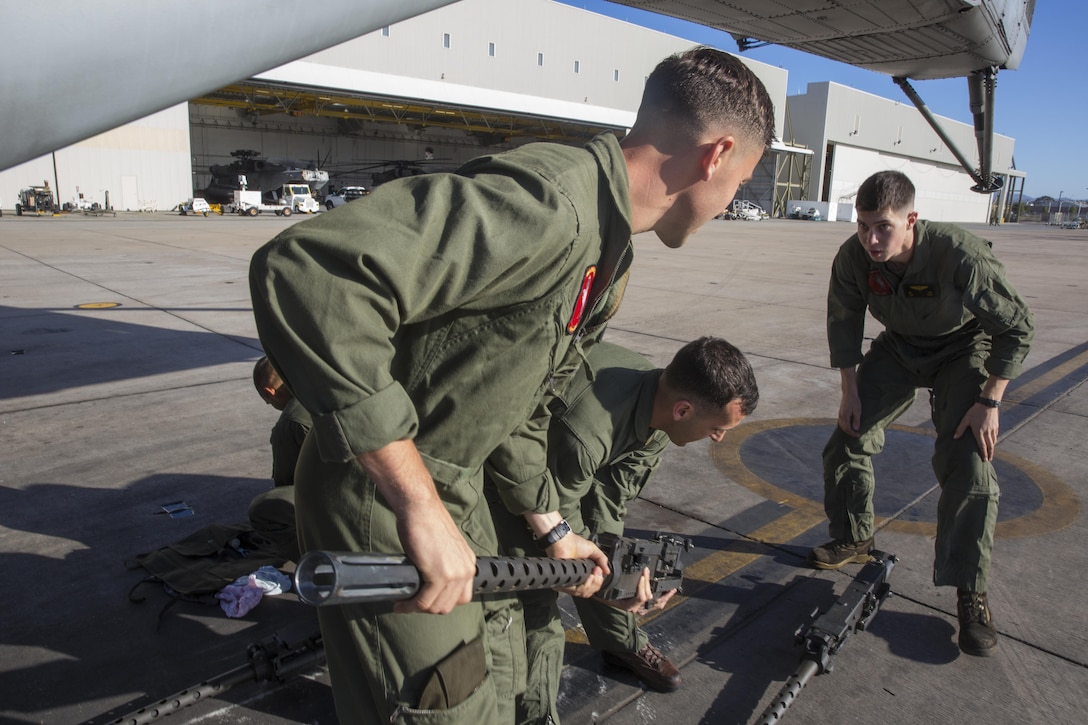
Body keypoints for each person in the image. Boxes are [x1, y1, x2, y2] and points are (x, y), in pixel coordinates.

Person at [249, 46, 775, 725]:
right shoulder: (553, 207)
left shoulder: (607, 255)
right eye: (744, 180)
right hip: (383, 495)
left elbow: (524, 409)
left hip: (456, 493)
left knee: (497, 688)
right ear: (717, 154)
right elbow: (311, 271)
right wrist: (419, 504)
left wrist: (554, 528)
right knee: (444, 706)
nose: (733, 201)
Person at [811, 170, 1034, 657]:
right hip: (899, 347)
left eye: (883, 227)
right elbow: (843, 321)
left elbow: (1017, 327)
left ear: (911, 219)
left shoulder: (959, 254)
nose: (871, 238)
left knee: (970, 460)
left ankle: (970, 591)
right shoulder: (854, 257)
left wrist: (989, 401)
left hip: (963, 348)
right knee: (848, 436)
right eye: (863, 224)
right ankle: (853, 535)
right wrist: (850, 391)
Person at [491, 336, 757, 723]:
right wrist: (599, 578)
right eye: (718, 427)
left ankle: (619, 640)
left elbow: (610, 499)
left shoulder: (659, 407)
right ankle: (536, 714)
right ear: (684, 410)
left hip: (559, 477)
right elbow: (557, 526)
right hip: (510, 479)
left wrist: (621, 575)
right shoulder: (587, 432)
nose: (719, 437)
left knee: (615, 568)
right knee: (538, 602)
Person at [247, 356, 312, 562]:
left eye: (266, 401)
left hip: (351, 503)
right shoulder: (326, 391)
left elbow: (287, 482)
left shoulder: (291, 422)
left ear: (270, 392)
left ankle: (319, 564)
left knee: (267, 508)